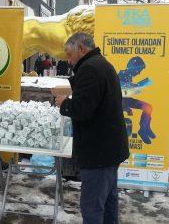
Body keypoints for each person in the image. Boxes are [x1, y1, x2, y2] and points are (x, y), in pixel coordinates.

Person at [55, 32, 129, 224]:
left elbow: (82, 110)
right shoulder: (100, 64)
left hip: (98, 153)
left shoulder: (89, 69)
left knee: (92, 207)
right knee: (108, 203)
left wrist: (64, 103)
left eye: (69, 55)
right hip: (110, 150)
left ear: (81, 49)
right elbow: (95, 99)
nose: (69, 61)